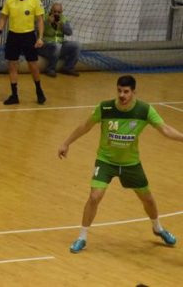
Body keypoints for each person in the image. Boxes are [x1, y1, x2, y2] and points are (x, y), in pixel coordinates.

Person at [58, 75, 183, 253]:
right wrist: (66, 143)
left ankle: (158, 228)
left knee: (147, 198)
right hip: (105, 160)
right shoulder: (105, 108)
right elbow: (85, 126)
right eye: (119, 91)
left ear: (134, 92)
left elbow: (165, 129)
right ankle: (82, 237)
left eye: (126, 91)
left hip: (131, 163)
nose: (122, 95)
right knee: (94, 197)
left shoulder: (144, 110)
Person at [0, 0, 46, 105]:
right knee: (12, 64)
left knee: (32, 65)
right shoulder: (9, 0)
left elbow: (40, 21)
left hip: (29, 36)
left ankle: (39, 91)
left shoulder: (35, 1)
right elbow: (3, 18)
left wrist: (40, 37)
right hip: (13, 35)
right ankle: (14, 95)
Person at [37, 2, 81, 77]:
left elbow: (69, 33)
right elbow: (36, 30)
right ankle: (50, 69)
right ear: (51, 11)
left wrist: (62, 26)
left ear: (62, 12)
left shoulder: (64, 19)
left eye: (59, 12)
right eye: (54, 11)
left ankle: (68, 68)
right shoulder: (44, 17)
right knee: (57, 46)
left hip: (59, 45)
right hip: (45, 46)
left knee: (76, 45)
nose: (56, 14)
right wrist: (47, 22)